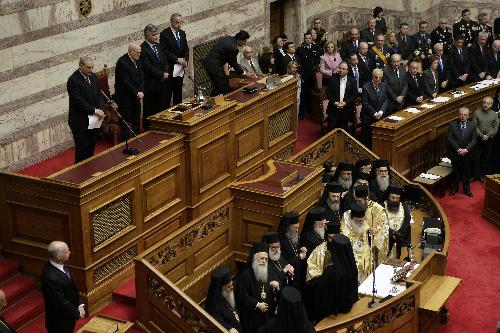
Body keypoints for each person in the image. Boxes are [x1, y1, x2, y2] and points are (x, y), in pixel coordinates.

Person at [66, 56, 104, 164]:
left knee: (91, 146)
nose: (90, 70)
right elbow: (78, 101)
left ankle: (89, 170)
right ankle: (80, 174)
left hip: (94, 118)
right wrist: (94, 110)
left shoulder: (93, 77)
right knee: (82, 149)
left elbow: (99, 94)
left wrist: (100, 109)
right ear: (81, 66)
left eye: (92, 67)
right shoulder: (73, 80)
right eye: (88, 68)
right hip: (80, 121)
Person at [41, 241, 84, 333]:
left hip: (68, 316)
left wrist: (80, 304)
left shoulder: (61, 265)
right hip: (60, 322)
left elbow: (73, 288)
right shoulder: (50, 277)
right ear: (59, 256)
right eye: (67, 251)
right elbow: (61, 302)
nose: (69, 253)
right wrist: (77, 314)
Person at [236, 242, 278, 333]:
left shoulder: (269, 270)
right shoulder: (245, 275)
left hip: (268, 313)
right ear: (255, 258)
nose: (264, 261)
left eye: (266, 259)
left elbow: (277, 287)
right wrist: (257, 304)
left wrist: (276, 286)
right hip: (253, 316)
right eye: (261, 258)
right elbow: (241, 296)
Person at [203, 30, 252, 96]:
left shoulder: (228, 38)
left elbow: (227, 58)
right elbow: (234, 63)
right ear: (240, 40)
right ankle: (217, 101)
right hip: (214, 65)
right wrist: (244, 73)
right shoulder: (234, 48)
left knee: (219, 84)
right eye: (244, 42)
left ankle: (215, 100)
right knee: (223, 84)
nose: (244, 44)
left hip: (209, 62)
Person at [140, 24, 169, 130]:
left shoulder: (158, 46)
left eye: (156, 34)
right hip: (151, 84)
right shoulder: (143, 49)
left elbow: (165, 60)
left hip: (162, 83)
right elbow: (148, 67)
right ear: (147, 36)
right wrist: (161, 75)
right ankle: (149, 129)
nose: (156, 37)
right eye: (153, 35)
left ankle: (161, 126)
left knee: (161, 106)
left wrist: (165, 72)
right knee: (150, 108)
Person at [352, 184, 389, 265]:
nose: (357, 204)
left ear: (366, 198)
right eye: (356, 201)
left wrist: (376, 230)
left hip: (372, 244)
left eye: (360, 201)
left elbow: (384, 227)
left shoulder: (377, 209)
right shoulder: (355, 209)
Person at [115, 42, 144, 140]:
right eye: (137, 52)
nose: (139, 55)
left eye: (140, 52)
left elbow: (141, 77)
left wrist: (141, 91)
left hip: (136, 96)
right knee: (125, 122)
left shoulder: (138, 60)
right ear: (130, 51)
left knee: (136, 118)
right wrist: (136, 92)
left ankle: (136, 137)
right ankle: (125, 141)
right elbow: (125, 82)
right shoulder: (122, 63)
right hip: (125, 97)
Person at [160, 13, 189, 106]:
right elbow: (165, 51)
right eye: (177, 22)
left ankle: (179, 111)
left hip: (180, 68)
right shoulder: (164, 34)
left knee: (178, 93)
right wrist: (177, 59)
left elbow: (186, 49)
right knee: (167, 95)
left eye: (181, 22)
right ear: (171, 22)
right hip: (170, 68)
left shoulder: (182, 33)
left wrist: (186, 61)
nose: (179, 25)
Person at [448, 107, 477, 197]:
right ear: (458, 115)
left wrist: (466, 150)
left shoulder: (473, 125)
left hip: (467, 154)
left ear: (468, 116)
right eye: (461, 114)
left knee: (466, 173)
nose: (463, 116)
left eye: (465, 115)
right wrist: (458, 149)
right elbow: (450, 139)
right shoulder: (452, 124)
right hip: (455, 152)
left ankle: (466, 189)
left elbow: (474, 140)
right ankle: (454, 188)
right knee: (456, 172)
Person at [340, 203, 372, 283]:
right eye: (359, 221)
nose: (362, 222)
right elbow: (345, 240)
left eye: (363, 220)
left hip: (365, 253)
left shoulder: (363, 221)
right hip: (352, 255)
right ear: (353, 218)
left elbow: (365, 233)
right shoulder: (346, 223)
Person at [205, 267, 242, 333]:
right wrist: (229, 328)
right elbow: (216, 322)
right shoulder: (214, 306)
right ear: (220, 289)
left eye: (232, 284)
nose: (232, 288)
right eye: (228, 287)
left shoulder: (227, 296)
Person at [326, 62, 357, 132]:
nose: (340, 70)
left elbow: (354, 95)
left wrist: (346, 103)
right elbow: (329, 93)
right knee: (332, 132)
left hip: (346, 111)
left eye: (343, 69)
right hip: (333, 110)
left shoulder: (352, 81)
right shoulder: (332, 79)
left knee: (344, 133)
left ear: (347, 71)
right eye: (339, 68)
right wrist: (335, 102)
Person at [296, 32, 321, 118]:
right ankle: (302, 112)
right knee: (304, 94)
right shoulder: (300, 49)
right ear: (304, 39)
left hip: (313, 75)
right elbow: (299, 64)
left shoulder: (315, 47)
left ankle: (311, 111)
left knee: (312, 93)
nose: (308, 40)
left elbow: (318, 59)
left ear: (311, 39)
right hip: (305, 75)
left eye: (309, 38)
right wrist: (301, 76)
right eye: (306, 38)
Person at [473, 97, 498, 181]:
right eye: (484, 103)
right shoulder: (477, 112)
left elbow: (496, 127)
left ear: (491, 105)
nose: (486, 105)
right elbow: (474, 126)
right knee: (476, 158)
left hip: (489, 139)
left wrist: (488, 135)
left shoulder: (494, 114)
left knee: (485, 158)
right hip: (478, 139)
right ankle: (475, 175)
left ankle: (481, 175)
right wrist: (481, 135)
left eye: (488, 103)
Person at [361, 69, 388, 148]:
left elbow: (385, 100)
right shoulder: (366, 87)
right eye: (376, 77)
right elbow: (365, 103)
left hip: (380, 117)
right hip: (368, 118)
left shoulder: (384, 85)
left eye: (380, 77)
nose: (378, 79)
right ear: (372, 76)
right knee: (367, 141)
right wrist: (375, 113)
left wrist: (381, 112)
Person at [384, 185, 411, 259]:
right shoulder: (382, 206)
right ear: (388, 197)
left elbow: (406, 222)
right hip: (386, 239)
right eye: (392, 197)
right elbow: (381, 223)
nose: (395, 200)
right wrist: (391, 234)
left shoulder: (404, 207)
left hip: (399, 238)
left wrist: (398, 234)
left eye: (397, 198)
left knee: (397, 257)